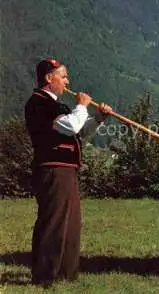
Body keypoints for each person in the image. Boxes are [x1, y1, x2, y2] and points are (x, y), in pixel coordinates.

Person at [24, 58, 112, 286]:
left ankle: (66, 273)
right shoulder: (39, 103)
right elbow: (72, 125)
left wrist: (99, 118)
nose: (67, 81)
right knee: (53, 221)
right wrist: (82, 105)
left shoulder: (58, 106)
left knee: (72, 222)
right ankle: (44, 275)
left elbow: (79, 133)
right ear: (48, 78)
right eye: (63, 76)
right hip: (52, 169)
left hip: (66, 170)